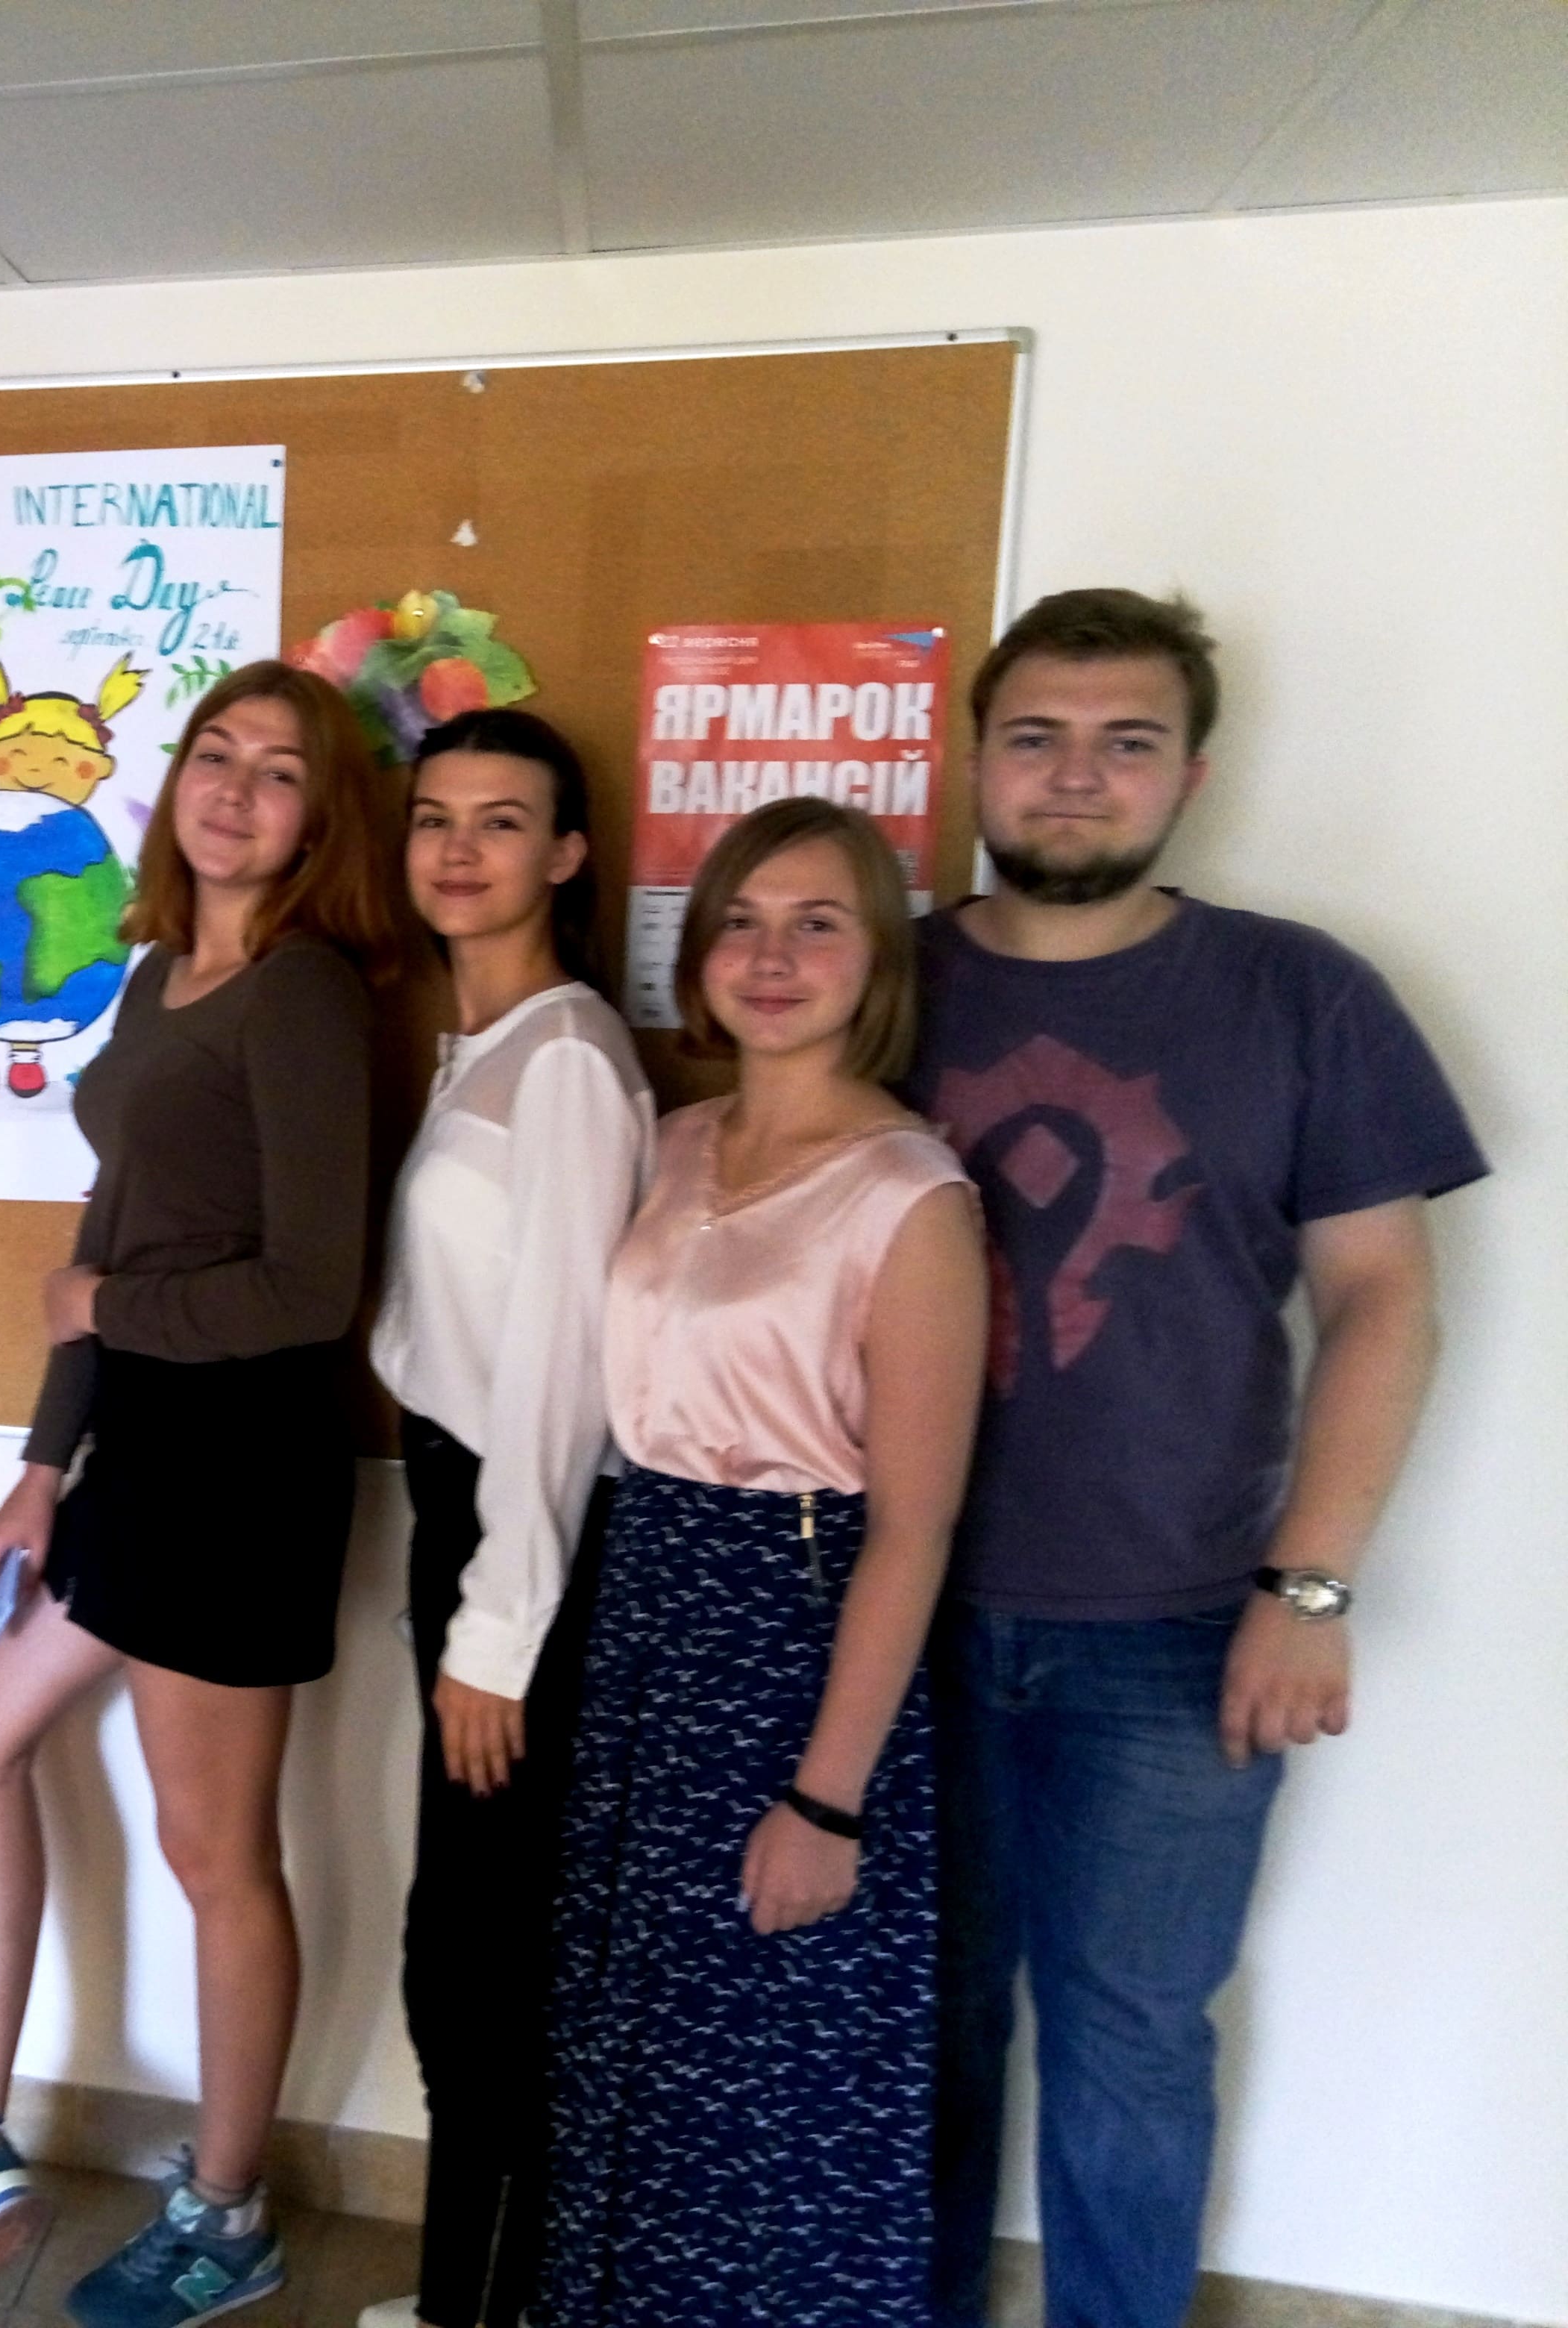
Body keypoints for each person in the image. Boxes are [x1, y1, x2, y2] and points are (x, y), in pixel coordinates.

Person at [914, 592, 1487, 2328]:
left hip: (1171, 1635)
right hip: (894, 1616)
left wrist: (1307, 1591)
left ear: (1191, 775)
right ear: (977, 758)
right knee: (913, 2030)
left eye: (1126, 742)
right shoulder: (878, 980)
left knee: (1132, 2040)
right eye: (1036, 738)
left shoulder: (1299, 995)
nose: (1075, 778)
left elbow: (1384, 1300)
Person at [0, 661, 402, 2328]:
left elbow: (312, 1287)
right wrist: (40, 1467)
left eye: (280, 771)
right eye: (216, 753)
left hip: (243, 1461)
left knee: (215, 1851)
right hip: (140, 1446)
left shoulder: (303, 994)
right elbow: (114, 1221)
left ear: (321, 819)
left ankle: (228, 2215)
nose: (236, 788)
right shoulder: (160, 976)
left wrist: (106, 1311)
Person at [541, 798, 985, 2327]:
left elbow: (914, 1526)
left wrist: (827, 1798)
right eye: (741, 920)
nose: (772, 956)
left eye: (817, 925)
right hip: (649, 1611)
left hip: (791, 1635)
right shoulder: (672, 1144)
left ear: (877, 963)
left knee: (771, 2053)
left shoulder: (910, 1194)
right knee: (640, 2027)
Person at [357, 711, 651, 2328]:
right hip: (458, 1517)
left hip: (515, 1543)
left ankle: (488, 2306)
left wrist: (499, 1627)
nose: (458, 849)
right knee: (459, 1947)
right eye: (434, 818)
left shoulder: (571, 1060)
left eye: (502, 821)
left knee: (482, 1961)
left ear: (567, 855)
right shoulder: (482, 1045)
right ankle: (463, 2297)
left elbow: (562, 1372)